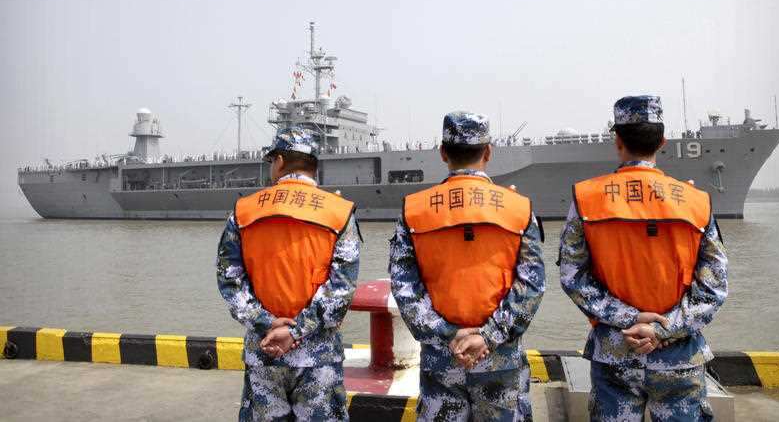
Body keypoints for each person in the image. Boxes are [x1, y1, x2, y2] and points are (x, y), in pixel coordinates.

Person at [559, 95, 728, 421]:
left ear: (617, 141)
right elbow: (715, 287)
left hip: (615, 352)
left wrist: (627, 317)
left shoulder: (586, 199)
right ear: (663, 141)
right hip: (679, 355)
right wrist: (663, 329)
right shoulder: (697, 202)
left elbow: (573, 276)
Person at [389, 111, 546, 421]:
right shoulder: (519, 208)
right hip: (501, 358)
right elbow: (532, 285)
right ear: (488, 152)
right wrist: (488, 336)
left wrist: (449, 335)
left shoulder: (414, 210)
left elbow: (404, 286)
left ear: (443, 153)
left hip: (443, 359)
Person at [216, 126, 362, 421]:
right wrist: (296, 331)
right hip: (318, 356)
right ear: (314, 166)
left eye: (272, 161)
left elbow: (229, 278)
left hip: (264, 352)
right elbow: (341, 289)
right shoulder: (339, 212)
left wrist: (266, 322)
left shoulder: (243, 212)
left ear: (279, 162)